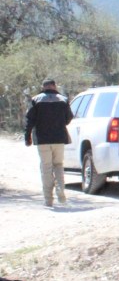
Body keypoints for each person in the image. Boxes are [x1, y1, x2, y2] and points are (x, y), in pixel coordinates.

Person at [24, 78, 73, 208]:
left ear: (43, 86)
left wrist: (27, 136)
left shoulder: (36, 100)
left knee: (46, 167)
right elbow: (69, 118)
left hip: (42, 140)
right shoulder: (63, 99)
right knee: (58, 165)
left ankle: (48, 200)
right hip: (59, 139)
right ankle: (61, 193)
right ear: (54, 86)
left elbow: (30, 120)